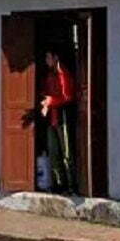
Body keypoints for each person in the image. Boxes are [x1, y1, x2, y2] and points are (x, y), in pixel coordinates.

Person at [40, 48, 76, 194]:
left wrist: (50, 101)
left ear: (56, 58)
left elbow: (68, 97)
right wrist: (45, 100)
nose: (46, 61)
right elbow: (47, 92)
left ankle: (71, 186)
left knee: (66, 154)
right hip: (52, 119)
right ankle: (59, 185)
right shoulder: (50, 76)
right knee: (54, 153)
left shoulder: (63, 75)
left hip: (62, 118)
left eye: (48, 57)